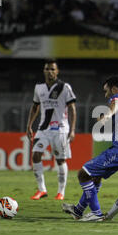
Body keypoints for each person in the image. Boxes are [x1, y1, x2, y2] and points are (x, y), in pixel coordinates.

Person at [62, 75, 118, 221]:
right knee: (96, 176)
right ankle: (78, 210)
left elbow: (115, 104)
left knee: (83, 174)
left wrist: (108, 115)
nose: (106, 95)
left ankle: (96, 214)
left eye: (107, 91)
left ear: (114, 89)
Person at [26, 59, 77, 201]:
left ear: (57, 71)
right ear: (44, 71)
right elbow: (35, 107)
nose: (50, 72)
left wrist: (72, 130)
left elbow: (72, 108)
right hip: (43, 128)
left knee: (60, 160)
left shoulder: (64, 87)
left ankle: (61, 192)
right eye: (47, 69)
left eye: (53, 69)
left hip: (60, 129)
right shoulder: (39, 88)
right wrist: (29, 125)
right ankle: (42, 190)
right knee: (36, 155)